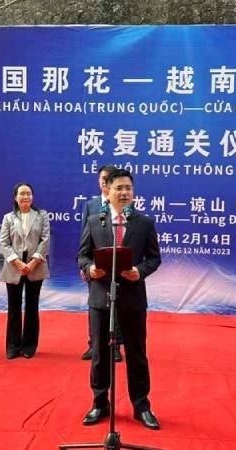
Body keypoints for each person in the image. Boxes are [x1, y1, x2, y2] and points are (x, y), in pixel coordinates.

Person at [77, 168, 162, 430]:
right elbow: (82, 256)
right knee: (101, 354)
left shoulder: (145, 223)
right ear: (107, 191)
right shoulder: (94, 221)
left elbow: (154, 257)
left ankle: (141, 405)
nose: (124, 193)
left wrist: (140, 271)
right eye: (119, 188)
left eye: (128, 188)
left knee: (137, 353)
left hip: (133, 298)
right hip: (101, 298)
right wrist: (90, 269)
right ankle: (100, 403)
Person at [0, 182, 50, 359]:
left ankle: (29, 346)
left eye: (28, 193)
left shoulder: (41, 215)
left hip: (35, 267)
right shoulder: (8, 217)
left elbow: (45, 240)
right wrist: (18, 263)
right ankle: (13, 346)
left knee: (31, 306)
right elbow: (4, 243)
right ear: (15, 197)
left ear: (32, 196)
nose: (25, 197)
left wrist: (33, 262)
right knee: (14, 307)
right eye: (22, 194)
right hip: (14, 268)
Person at [79, 164, 123, 363]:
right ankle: (94, 345)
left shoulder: (123, 204)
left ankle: (115, 346)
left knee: (116, 304)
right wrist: (85, 266)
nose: (104, 182)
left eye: (108, 179)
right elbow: (84, 238)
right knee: (95, 305)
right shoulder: (91, 205)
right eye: (102, 179)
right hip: (96, 266)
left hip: (118, 264)